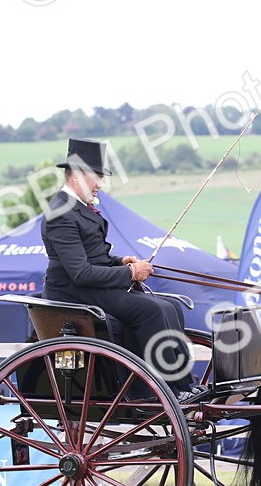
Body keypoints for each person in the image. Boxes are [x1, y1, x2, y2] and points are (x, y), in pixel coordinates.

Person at [41, 138, 204, 402]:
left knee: (169, 306)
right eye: (97, 177)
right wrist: (130, 274)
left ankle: (182, 383)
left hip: (91, 286)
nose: (100, 184)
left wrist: (120, 262)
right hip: (73, 293)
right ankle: (162, 391)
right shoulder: (61, 214)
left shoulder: (76, 208)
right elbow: (80, 273)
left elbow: (92, 256)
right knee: (150, 309)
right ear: (78, 177)